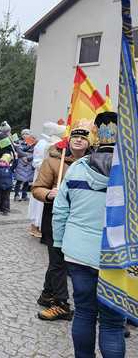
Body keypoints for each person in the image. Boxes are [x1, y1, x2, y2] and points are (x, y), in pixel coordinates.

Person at [53, 112, 126, 357]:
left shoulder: (77, 170)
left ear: (95, 133)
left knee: (84, 312)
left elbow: (60, 211)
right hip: (116, 256)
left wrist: (59, 243)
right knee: (113, 323)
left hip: (79, 255)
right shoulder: (131, 174)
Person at [32, 122, 91, 321]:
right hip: (54, 214)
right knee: (58, 259)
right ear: (69, 139)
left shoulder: (93, 162)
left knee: (61, 260)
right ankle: (61, 302)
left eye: (83, 137)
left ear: (89, 141)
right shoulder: (54, 160)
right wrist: (49, 194)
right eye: (75, 136)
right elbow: (37, 188)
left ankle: (47, 293)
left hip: (79, 217)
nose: (78, 140)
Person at [28, 122, 66, 238]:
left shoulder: (51, 141)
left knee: (43, 204)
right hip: (42, 176)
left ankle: (39, 225)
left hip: (48, 176)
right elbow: (37, 162)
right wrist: (48, 167)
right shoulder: (43, 143)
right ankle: (35, 225)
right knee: (38, 203)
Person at [14, 129, 36, 201]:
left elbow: (35, 152)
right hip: (21, 163)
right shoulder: (19, 142)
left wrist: (28, 157)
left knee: (27, 180)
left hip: (29, 163)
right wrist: (25, 156)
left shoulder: (32, 143)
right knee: (19, 180)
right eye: (23, 134)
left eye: (26, 134)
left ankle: (24, 195)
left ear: (29, 135)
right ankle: (16, 195)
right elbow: (18, 151)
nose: (25, 135)